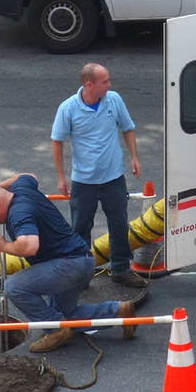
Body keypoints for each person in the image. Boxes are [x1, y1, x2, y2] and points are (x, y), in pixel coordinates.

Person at [0, 173, 144, 353]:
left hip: (67, 265)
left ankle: (55, 331)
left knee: (13, 287)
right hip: (80, 260)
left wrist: (3, 246)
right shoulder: (20, 189)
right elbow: (29, 175)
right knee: (64, 316)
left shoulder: (18, 214)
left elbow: (30, 246)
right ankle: (117, 311)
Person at [50, 63, 141, 287]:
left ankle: (121, 269)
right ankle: (81, 276)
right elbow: (57, 141)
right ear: (89, 85)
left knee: (119, 226)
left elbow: (127, 128)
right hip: (84, 182)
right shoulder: (68, 108)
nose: (109, 85)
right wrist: (61, 176)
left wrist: (134, 156)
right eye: (105, 81)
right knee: (80, 230)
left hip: (114, 178)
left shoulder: (114, 100)